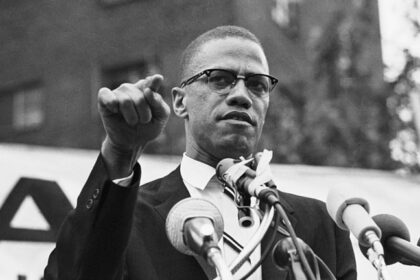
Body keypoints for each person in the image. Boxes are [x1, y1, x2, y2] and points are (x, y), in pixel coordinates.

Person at [44, 25, 356, 280]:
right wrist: (120, 152)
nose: (241, 96)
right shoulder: (129, 217)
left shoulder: (321, 226)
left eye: (258, 85)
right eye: (220, 79)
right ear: (180, 102)